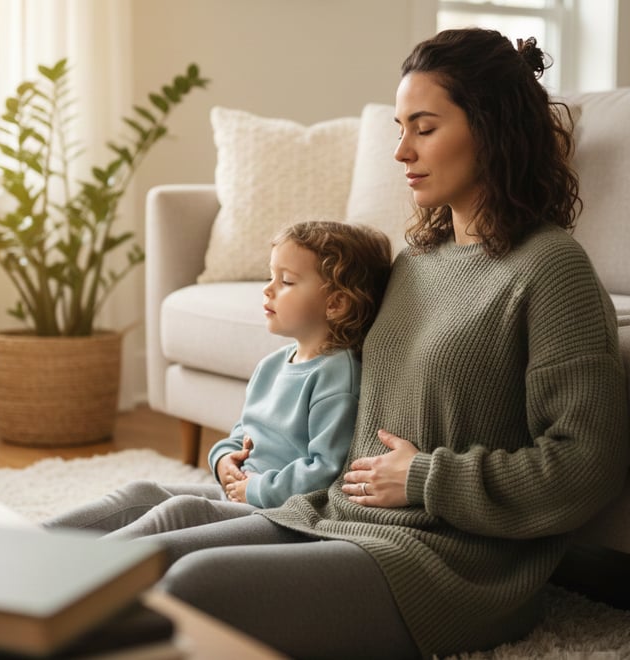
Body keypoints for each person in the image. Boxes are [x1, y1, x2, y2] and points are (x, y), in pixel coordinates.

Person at [126, 29, 629, 660]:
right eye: (399, 127)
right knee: (153, 514)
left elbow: (588, 464)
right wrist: (250, 454)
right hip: (335, 516)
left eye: (423, 127)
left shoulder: (552, 269)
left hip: (446, 561)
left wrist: (425, 477)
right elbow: (334, 378)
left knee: (192, 587)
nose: (400, 151)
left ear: (492, 130)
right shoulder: (418, 260)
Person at [44, 220, 392, 538]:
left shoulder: (337, 377)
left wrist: (255, 489)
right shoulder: (272, 365)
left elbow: (325, 471)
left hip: (282, 512)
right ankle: (31, 538)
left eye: (285, 281)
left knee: (181, 512)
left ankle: (82, 573)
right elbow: (243, 433)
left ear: (336, 304)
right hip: (243, 494)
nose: (268, 290)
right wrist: (223, 458)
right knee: (141, 493)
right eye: (271, 277)